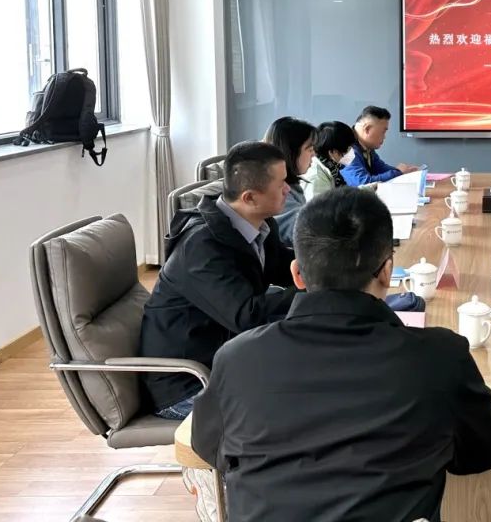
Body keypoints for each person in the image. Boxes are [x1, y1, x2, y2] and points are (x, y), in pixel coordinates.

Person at [191, 187, 491, 522]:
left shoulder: (237, 359)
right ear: (386, 271)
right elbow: (484, 451)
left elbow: (208, 445)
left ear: (297, 274)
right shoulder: (441, 357)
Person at [139, 141, 298, 421]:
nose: (288, 189)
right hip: (190, 385)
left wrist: (329, 267)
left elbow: (283, 266)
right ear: (249, 197)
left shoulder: (257, 224)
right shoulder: (202, 246)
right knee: (296, 406)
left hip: (230, 362)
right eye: (281, 184)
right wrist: (310, 293)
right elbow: (246, 315)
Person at [263, 116, 316, 246]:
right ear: (290, 152)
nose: (314, 154)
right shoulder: (275, 189)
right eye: (309, 149)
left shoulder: (290, 184)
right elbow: (303, 231)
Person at [341, 105, 419, 186]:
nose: (384, 137)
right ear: (367, 129)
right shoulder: (346, 149)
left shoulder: (366, 146)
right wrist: (398, 172)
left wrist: (406, 171)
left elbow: (381, 168)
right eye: (383, 132)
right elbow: (362, 183)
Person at [301, 120, 355, 200]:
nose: (351, 152)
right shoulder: (317, 176)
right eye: (348, 149)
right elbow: (319, 206)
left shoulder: (332, 167)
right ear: (333, 152)